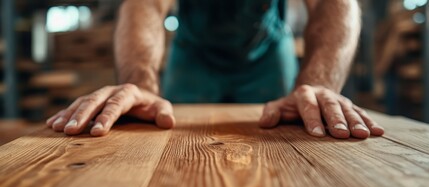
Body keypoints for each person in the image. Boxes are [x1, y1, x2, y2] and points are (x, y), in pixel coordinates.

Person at [46, 0, 384, 139]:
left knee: (296, 130)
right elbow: (145, 4)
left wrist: (318, 84)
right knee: (166, 136)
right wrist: (140, 84)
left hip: (267, 51)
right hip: (194, 55)